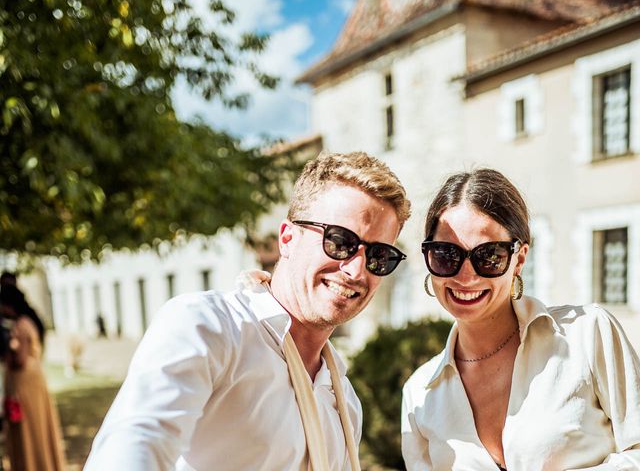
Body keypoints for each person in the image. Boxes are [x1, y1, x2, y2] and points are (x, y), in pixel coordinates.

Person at [85, 151, 412, 470]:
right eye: (340, 241)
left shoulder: (345, 401)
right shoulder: (209, 328)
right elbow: (136, 443)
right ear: (287, 238)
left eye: (379, 256)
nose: (356, 270)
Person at [402, 169, 640, 470]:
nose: (465, 276)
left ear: (520, 259)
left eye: (489, 256)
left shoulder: (588, 334)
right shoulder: (419, 394)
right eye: (446, 255)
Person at [0, 285, 66, 471]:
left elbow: (19, 359)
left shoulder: (19, 327)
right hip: (35, 380)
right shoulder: (30, 321)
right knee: (41, 430)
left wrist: (8, 353)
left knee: (28, 433)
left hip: (24, 382)